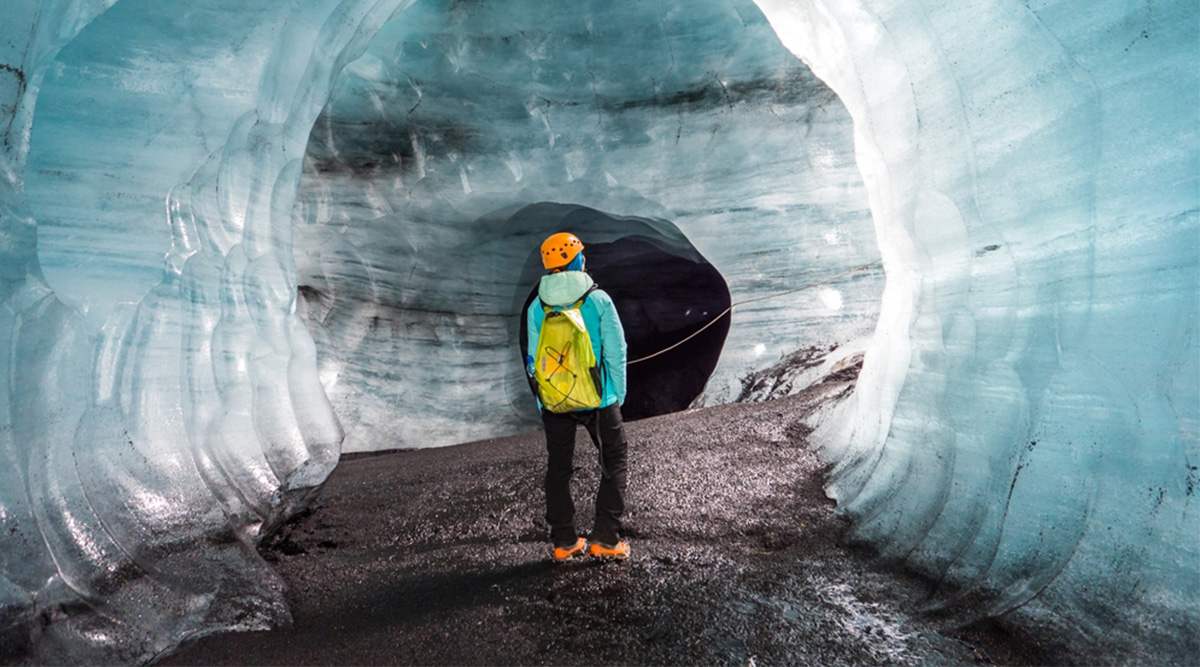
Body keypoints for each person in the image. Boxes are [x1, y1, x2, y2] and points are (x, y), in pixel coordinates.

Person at [526, 232, 631, 562]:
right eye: (581, 254)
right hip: (598, 397)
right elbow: (616, 350)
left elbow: (534, 359)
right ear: (576, 260)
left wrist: (543, 400)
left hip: (555, 399)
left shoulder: (537, 306)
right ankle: (606, 539)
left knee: (559, 468)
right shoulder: (597, 299)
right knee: (613, 460)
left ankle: (564, 542)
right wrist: (616, 394)